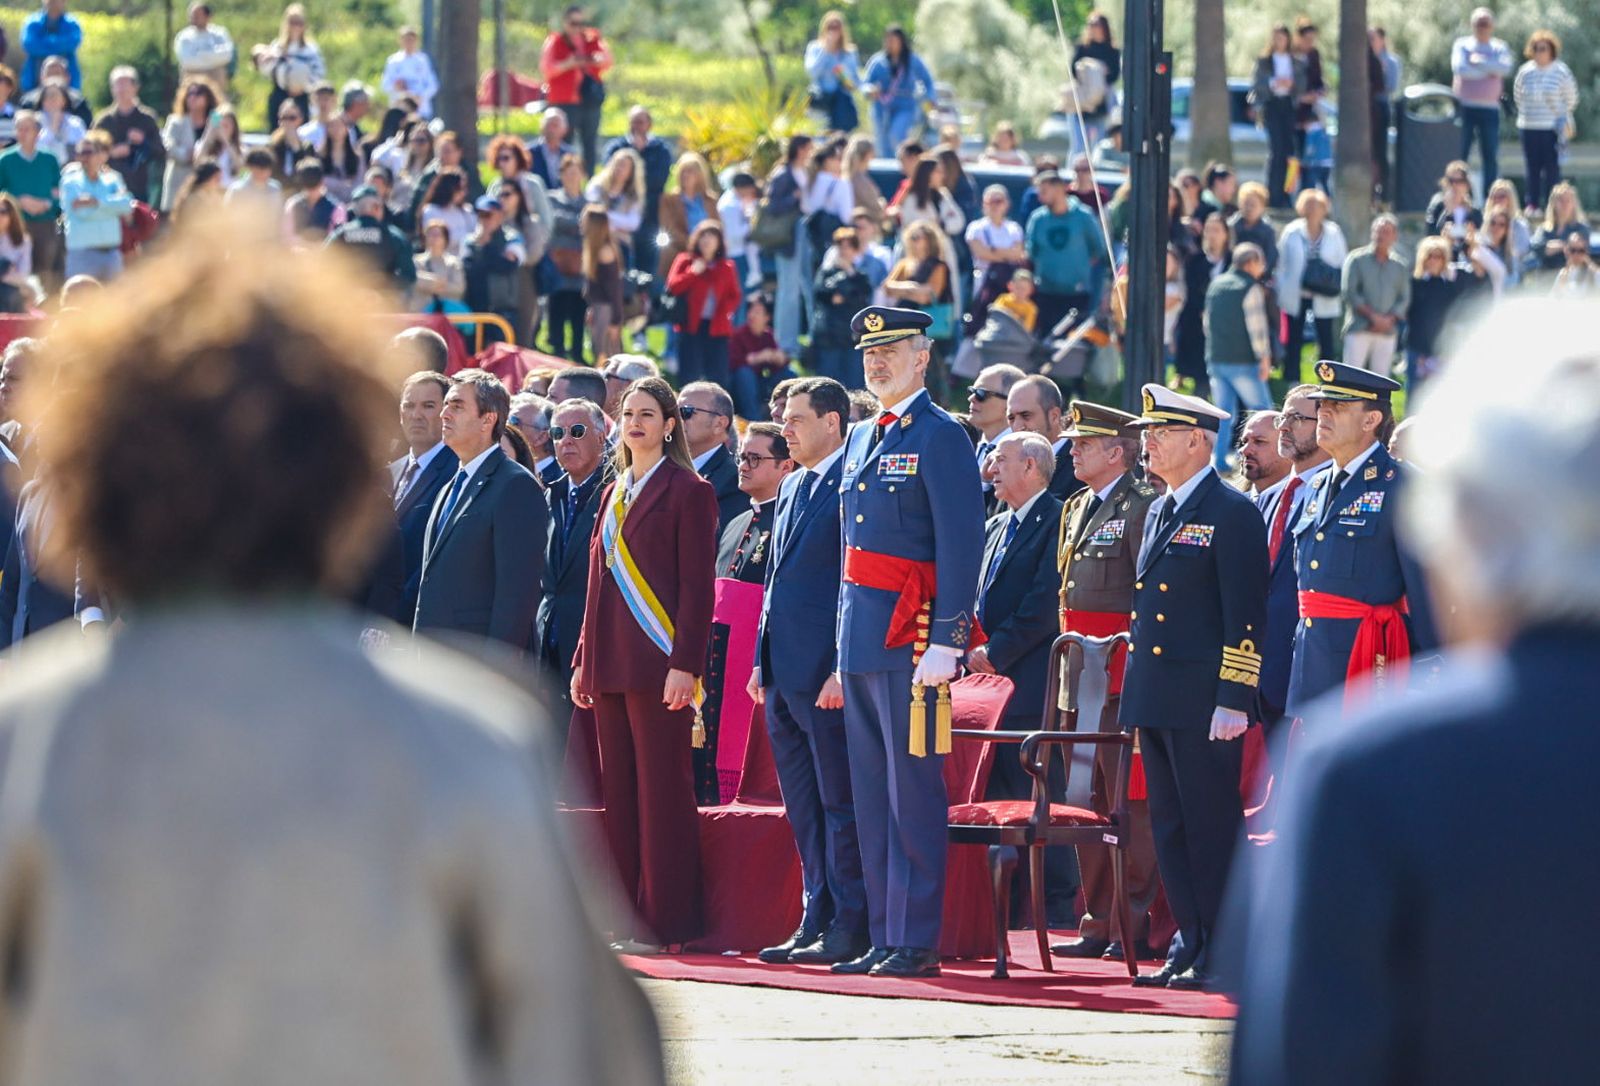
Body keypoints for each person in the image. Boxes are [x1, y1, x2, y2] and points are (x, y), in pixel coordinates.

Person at [0, 231, 663, 1085]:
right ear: (344, 465)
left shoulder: (24, 737)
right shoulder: (467, 740)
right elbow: (580, 1057)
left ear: (93, 464)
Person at [1229, 300, 1600, 1084]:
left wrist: (1433, 672)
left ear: (1463, 525)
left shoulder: (1370, 769)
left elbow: (1297, 1049)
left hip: (1378, 678)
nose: (1322, 417)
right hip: (1323, 667)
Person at [833, 306, 984, 978]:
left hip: (915, 635)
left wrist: (949, 638)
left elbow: (961, 542)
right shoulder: (864, 434)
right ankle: (884, 930)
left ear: (922, 357)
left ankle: (916, 937)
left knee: (912, 790)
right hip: (862, 635)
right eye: (870, 351)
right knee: (870, 793)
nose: (878, 361)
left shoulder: (941, 435)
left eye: (891, 348)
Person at [1119, 383, 1267, 992]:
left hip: (1206, 700)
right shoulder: (1160, 507)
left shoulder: (1232, 512)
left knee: (1209, 826)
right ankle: (1190, 941)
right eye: (1147, 432)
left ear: (1197, 441)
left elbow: (1246, 615)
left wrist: (1234, 697)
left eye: (1159, 433)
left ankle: (1224, 949)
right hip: (1158, 693)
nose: (1147, 442)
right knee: (1171, 826)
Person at [571, 376, 717, 952]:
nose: (635, 423)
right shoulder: (613, 493)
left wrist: (686, 664)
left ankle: (664, 922)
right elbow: (595, 586)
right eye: (627, 413)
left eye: (648, 414)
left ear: (669, 425)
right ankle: (624, 916)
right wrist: (585, 659)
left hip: (660, 667)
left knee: (662, 795)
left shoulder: (690, 490)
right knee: (621, 796)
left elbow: (696, 589)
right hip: (609, 664)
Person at [748, 376, 865, 964]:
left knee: (839, 804)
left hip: (825, 676)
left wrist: (843, 667)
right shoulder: (793, 486)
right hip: (782, 674)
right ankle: (814, 913)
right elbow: (776, 584)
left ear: (832, 423)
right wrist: (759, 659)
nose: (785, 428)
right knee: (802, 806)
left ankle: (850, 922)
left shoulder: (853, 484)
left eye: (796, 419)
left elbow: (854, 584)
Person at [1049, 401, 1162, 962]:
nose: (1071, 450)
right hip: (1077, 674)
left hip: (1120, 673)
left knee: (1129, 803)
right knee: (1083, 801)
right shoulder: (1075, 506)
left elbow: (1149, 598)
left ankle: (1130, 923)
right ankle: (1095, 920)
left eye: (1084, 444)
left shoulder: (1143, 506)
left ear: (1117, 452)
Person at [967, 431, 1077, 927]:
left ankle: (1053, 906)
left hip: (1030, 686)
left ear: (1032, 467)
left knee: (1037, 795)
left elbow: (1044, 604)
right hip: (987, 690)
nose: (991, 467)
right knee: (996, 798)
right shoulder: (995, 526)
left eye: (1001, 458)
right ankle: (1006, 903)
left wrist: (996, 651)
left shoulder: (1056, 521)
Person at [1285, 361, 1437, 716]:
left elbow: (1426, 593)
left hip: (1373, 666)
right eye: (1322, 405)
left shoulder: (1402, 486)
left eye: (1338, 406)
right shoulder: (1318, 485)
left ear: (1371, 421)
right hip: (1313, 664)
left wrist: (1429, 672)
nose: (1324, 413)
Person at [411, 367, 548, 648]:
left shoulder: (515, 486)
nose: (444, 414)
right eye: (446, 404)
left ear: (488, 420)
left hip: (477, 667)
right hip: (436, 659)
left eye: (457, 406)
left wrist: (494, 673)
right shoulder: (451, 486)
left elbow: (516, 597)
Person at [1254, 386, 1331, 731]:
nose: (1283, 427)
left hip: (1312, 680)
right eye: (1283, 416)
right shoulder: (1268, 499)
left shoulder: (1338, 495)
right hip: (1258, 678)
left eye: (1297, 418)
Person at [539, 396, 609, 684]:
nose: (566, 440)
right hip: (547, 647)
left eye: (577, 431)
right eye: (558, 433)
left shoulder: (619, 494)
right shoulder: (550, 494)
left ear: (602, 438)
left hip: (595, 650)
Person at [388, 368, 458, 625]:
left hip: (420, 622)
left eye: (428, 406)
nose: (416, 415)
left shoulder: (457, 471)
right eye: (409, 406)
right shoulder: (388, 473)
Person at [1204, 243, 1275, 472]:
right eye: (1260, 262)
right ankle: (1273, 459)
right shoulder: (1249, 287)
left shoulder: (1217, 284)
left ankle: (1219, 460)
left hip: (1216, 359)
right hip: (1243, 362)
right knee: (1264, 412)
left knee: (1223, 415)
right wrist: (1264, 358)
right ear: (1251, 262)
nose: (1262, 267)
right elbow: (1257, 328)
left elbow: (1206, 322)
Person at [1026, 169, 1104, 341]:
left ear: (1060, 188)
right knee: (1046, 341)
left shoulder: (1083, 216)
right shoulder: (1037, 219)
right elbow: (1031, 252)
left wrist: (1077, 269)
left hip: (1077, 294)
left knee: (1072, 343)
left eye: (1044, 191)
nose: (1040, 197)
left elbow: (1098, 249)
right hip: (1046, 292)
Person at [1275, 189, 1344, 379]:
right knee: (1294, 338)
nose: (1313, 210)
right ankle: (1292, 377)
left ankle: (1327, 378)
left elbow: (1340, 261)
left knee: (1325, 338)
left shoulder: (1333, 232)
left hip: (1323, 292)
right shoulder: (1292, 231)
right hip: (1297, 292)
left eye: (1318, 206)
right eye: (1309, 205)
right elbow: (1281, 263)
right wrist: (1282, 286)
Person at [717, 421, 792, 588]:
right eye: (742, 457)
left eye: (754, 459)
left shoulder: (790, 525)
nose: (743, 467)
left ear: (786, 466)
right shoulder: (734, 523)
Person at [666, 222, 740, 389]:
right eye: (703, 236)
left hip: (717, 328)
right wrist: (692, 273)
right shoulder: (685, 260)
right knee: (689, 374)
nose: (707, 240)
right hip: (690, 326)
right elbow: (673, 287)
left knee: (718, 376)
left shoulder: (727, 267)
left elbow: (734, 296)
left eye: (711, 237)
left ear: (719, 242)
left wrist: (725, 312)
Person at [1513, 30, 1577, 216]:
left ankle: (1553, 207)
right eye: (1536, 48)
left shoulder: (1561, 71)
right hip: (1528, 125)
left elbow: (1571, 97)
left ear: (1551, 50)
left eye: (1543, 48)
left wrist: (1560, 114)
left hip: (1552, 128)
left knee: (1552, 168)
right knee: (1532, 167)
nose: (1539, 52)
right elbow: (1518, 96)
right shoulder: (1525, 71)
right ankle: (1532, 205)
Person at [602, 107, 671, 280]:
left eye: (640, 122)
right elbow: (609, 177)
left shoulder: (660, 150)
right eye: (633, 122)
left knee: (646, 265)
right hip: (619, 218)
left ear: (649, 124)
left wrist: (634, 171)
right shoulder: (617, 148)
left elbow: (658, 180)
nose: (636, 127)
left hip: (649, 217)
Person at [541, 5, 612, 173]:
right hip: (563, 102)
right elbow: (547, 68)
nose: (577, 27)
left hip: (588, 101)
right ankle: (562, 179)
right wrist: (569, 64)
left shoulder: (592, 40)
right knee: (564, 143)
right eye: (573, 23)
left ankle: (589, 180)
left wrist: (594, 59)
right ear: (565, 23)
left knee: (590, 144)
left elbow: (608, 60)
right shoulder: (555, 41)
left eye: (581, 23)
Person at [1451, 7, 1513, 194]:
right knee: (1460, 156)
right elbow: (1461, 69)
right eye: (1478, 23)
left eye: (1485, 23)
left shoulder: (1499, 47)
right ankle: (1458, 195)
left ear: (1492, 26)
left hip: (1490, 110)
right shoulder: (1462, 45)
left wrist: (1477, 62)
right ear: (1472, 25)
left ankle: (1489, 197)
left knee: (1490, 157)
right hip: (1465, 108)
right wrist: (1489, 70)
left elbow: (1505, 68)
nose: (1482, 27)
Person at [1341, 214, 1410, 374]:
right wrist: (1373, 318)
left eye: (1386, 232)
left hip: (1387, 330)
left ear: (1395, 236)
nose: (1381, 236)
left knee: (1381, 382)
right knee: (1350, 379)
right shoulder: (1356, 259)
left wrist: (1388, 320)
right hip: (1359, 327)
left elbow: (1404, 297)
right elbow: (1350, 292)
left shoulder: (1400, 266)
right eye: (1378, 231)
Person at [0, 111, 62, 287]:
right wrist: (18, 202)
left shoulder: (49, 159)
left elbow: (57, 192)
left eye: (27, 128)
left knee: (46, 272)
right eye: (19, 129)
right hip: (14, 226)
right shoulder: (5, 160)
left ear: (37, 131)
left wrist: (45, 204)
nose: (22, 133)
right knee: (15, 274)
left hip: (45, 223)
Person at [59, 134, 130, 282]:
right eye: (80, 153)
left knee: (116, 302)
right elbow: (82, 213)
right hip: (81, 255)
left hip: (111, 254)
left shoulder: (114, 179)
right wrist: (111, 207)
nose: (84, 157)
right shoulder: (70, 181)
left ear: (99, 155)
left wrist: (96, 202)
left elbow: (126, 205)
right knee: (80, 302)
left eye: (88, 152)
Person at [678, 380, 744, 533]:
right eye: (674, 412)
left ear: (719, 424)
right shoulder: (664, 468)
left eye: (686, 412)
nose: (676, 420)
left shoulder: (734, 480)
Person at [812, 227, 872, 390]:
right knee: (827, 385)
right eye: (841, 247)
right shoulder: (826, 272)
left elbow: (862, 297)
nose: (845, 251)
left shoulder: (860, 276)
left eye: (849, 247)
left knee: (855, 386)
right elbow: (822, 294)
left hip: (852, 338)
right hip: (830, 337)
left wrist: (848, 275)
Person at [863, 25, 935, 158]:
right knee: (882, 142)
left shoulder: (912, 61)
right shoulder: (878, 62)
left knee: (897, 135)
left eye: (894, 41)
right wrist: (870, 91)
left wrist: (930, 98)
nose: (890, 44)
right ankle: (887, 172)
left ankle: (901, 164)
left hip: (905, 106)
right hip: (881, 108)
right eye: (888, 40)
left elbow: (928, 81)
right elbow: (865, 84)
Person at [326, 186, 415, 290]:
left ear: (356, 209)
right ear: (377, 207)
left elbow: (322, 265)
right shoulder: (393, 236)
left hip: (347, 300)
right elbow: (409, 276)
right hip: (382, 302)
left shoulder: (341, 234)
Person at [252, 4, 323, 132]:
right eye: (292, 22)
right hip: (280, 93)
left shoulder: (310, 49)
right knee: (277, 131)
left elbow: (318, 74)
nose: (295, 26)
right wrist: (271, 58)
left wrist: (302, 86)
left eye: (299, 22)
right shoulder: (277, 46)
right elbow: (266, 69)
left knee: (302, 132)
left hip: (302, 97)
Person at [1006, 374, 1078, 499]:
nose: (1018, 426)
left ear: (1054, 416)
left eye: (1026, 415)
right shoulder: (1010, 465)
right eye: (1011, 418)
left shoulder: (1078, 463)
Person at [545, 153, 588, 359]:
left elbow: (594, 227)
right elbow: (555, 221)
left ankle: (578, 354)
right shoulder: (552, 198)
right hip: (558, 266)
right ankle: (558, 353)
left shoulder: (589, 201)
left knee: (579, 314)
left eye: (575, 172)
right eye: (567, 173)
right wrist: (581, 223)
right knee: (557, 312)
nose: (572, 177)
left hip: (581, 268)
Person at [967, 363, 1023, 514]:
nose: (971, 398)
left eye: (981, 394)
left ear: (1010, 403)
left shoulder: (1021, 453)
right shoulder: (966, 442)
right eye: (971, 391)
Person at [160, 76, 218, 212]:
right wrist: (186, 154)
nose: (193, 97)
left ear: (207, 97)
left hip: (208, 182)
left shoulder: (215, 118)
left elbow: (225, 135)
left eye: (198, 93)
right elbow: (168, 146)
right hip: (180, 180)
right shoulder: (176, 121)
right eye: (189, 93)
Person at [1072, 12, 1121, 148]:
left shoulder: (1113, 51)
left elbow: (1114, 75)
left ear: (1104, 28)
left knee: (1099, 144)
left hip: (1102, 104)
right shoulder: (1082, 48)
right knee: (1079, 146)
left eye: (1096, 24)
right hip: (1083, 104)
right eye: (1090, 24)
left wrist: (1100, 72)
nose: (1093, 28)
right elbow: (1073, 70)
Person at [965, 183, 1027, 290]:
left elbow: (1018, 254)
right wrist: (1008, 256)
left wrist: (993, 250)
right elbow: (981, 253)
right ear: (984, 204)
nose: (994, 205)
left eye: (998, 201)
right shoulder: (976, 227)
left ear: (1007, 203)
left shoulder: (1014, 228)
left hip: (1009, 283)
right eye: (990, 202)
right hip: (984, 282)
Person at [20, 0, 82, 93]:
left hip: (69, 86)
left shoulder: (72, 24)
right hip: (33, 82)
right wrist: (59, 45)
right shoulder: (32, 23)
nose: (53, 2)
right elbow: (30, 45)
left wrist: (43, 43)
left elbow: (72, 43)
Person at [380, 25, 438, 118]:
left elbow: (433, 85)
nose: (409, 43)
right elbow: (385, 85)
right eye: (406, 40)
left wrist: (419, 97)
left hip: (420, 110)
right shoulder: (393, 61)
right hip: (399, 109)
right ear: (400, 41)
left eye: (411, 40)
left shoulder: (423, 60)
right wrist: (398, 88)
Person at [175, 3, 233, 88]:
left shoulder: (219, 33)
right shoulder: (184, 36)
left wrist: (199, 54)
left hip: (215, 77)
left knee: (220, 72)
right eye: (191, 15)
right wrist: (212, 56)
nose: (193, 19)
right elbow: (186, 61)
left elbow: (227, 55)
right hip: (192, 77)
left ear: (208, 16)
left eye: (197, 15)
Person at [1237, 409, 1289, 494]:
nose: (1244, 450)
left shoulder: (1304, 501)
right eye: (1244, 441)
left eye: (1259, 441)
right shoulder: (1232, 502)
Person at [34, 81, 83, 165]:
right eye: (48, 96)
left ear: (64, 100)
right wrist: (53, 127)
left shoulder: (75, 123)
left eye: (55, 96)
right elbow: (36, 147)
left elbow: (82, 146)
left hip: (70, 168)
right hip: (42, 166)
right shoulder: (35, 121)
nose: (52, 99)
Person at [530, 107, 573, 190]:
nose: (551, 129)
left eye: (555, 125)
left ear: (565, 129)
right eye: (548, 124)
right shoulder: (529, 153)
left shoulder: (571, 155)